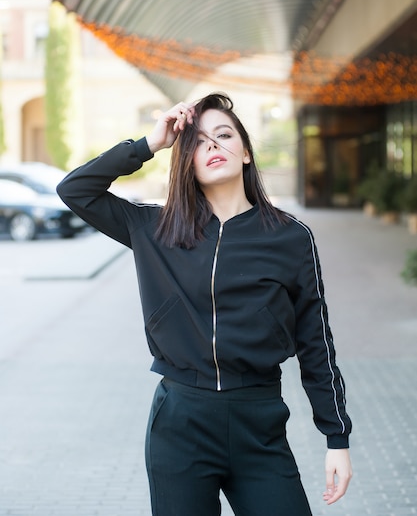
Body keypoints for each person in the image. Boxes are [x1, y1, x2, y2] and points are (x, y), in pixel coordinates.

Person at [57, 92, 352, 516]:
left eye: (224, 135)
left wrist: (336, 439)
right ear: (186, 163)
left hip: (259, 424)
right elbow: (75, 190)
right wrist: (149, 145)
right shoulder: (155, 228)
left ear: (246, 153)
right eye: (196, 141)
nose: (212, 145)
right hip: (180, 427)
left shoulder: (290, 237)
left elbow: (316, 343)